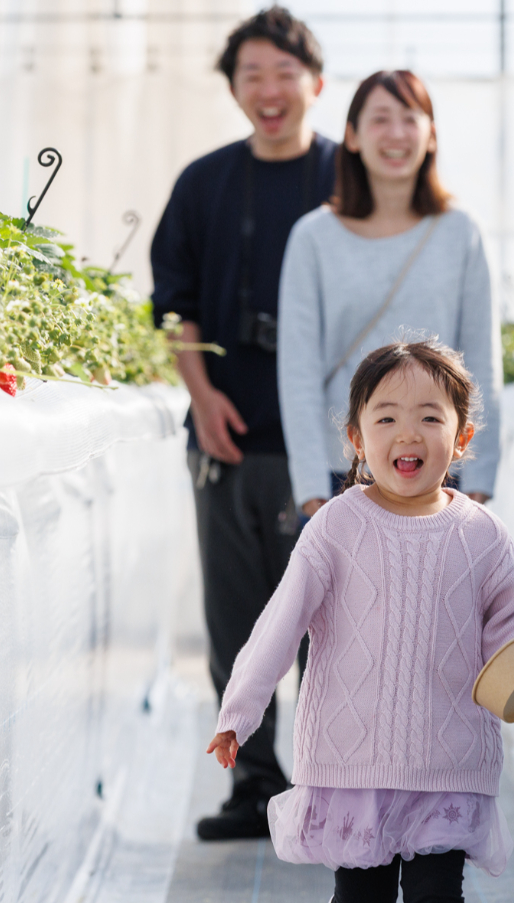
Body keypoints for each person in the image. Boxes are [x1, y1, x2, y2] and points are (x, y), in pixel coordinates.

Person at [207, 341, 514, 903]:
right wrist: (239, 712)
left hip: (448, 758)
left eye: (431, 416)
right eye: (387, 416)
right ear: (355, 437)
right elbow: (279, 626)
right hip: (355, 760)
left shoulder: (482, 534)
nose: (409, 433)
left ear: (463, 436)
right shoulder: (336, 528)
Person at [149, 6, 338, 841]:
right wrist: (200, 392)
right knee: (238, 620)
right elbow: (173, 305)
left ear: (314, 84)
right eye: (251, 76)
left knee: (332, 628)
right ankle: (253, 787)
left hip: (329, 450)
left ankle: (335, 781)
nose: (269, 91)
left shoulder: (347, 178)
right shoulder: (203, 182)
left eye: (283, 74)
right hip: (227, 438)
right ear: (234, 89)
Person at [276, 70, 501, 519]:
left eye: (409, 118)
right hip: (338, 473)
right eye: (379, 119)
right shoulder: (313, 237)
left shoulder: (461, 232)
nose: (395, 134)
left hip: (439, 468)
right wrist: (309, 490)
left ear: (431, 135)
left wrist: (479, 482)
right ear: (352, 137)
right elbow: (298, 371)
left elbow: (481, 359)